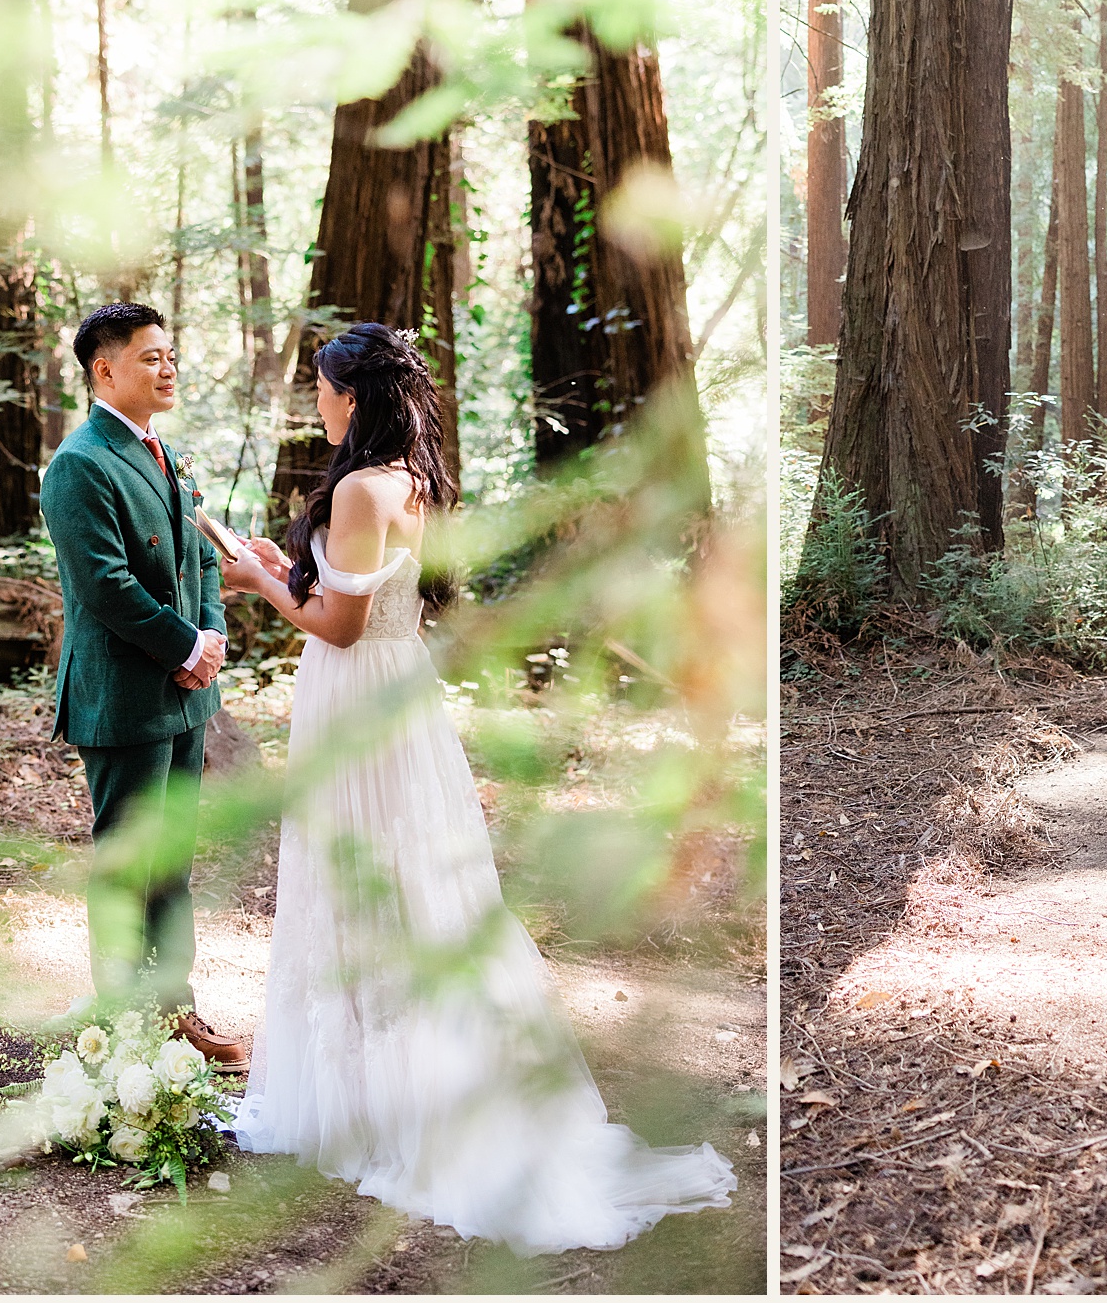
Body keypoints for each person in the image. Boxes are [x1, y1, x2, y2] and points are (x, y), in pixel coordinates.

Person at [221, 324, 735, 1254]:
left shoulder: (354, 487)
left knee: (358, 880)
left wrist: (259, 578)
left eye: (327, 388)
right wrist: (285, 561)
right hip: (400, 694)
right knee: (420, 887)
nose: (320, 402)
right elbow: (367, 600)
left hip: (354, 702)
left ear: (357, 395)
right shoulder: (408, 482)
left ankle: (384, 1108)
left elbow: (334, 626)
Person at [37, 302, 250, 1070]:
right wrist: (183, 642)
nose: (169, 368)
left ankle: (174, 1011)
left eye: (171, 355)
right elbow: (106, 586)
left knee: (173, 860)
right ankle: (125, 1028)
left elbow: (199, 558)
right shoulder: (79, 464)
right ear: (106, 369)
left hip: (187, 693)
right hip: (123, 694)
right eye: (153, 356)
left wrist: (210, 637)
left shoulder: (168, 453)